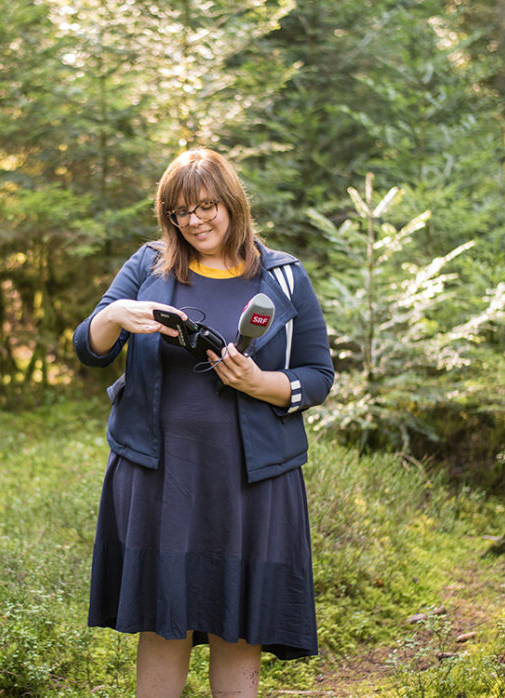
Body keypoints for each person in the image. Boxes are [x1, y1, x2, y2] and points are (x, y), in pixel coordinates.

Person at [73, 148, 335, 697]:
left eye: (205, 207)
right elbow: (90, 348)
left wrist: (259, 383)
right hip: (160, 474)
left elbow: (317, 374)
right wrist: (113, 316)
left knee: (237, 624)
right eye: (179, 213)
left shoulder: (284, 276)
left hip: (251, 480)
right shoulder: (149, 266)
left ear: (231, 203)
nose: (194, 222)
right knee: (164, 620)